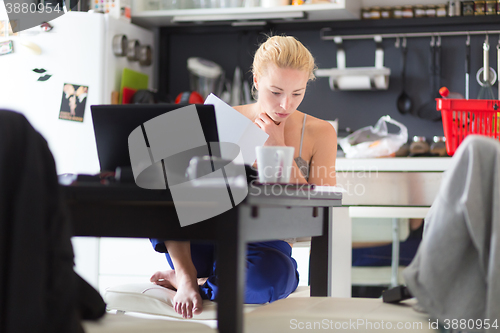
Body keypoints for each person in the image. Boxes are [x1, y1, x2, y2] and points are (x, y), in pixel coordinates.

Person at [149, 35, 338, 319]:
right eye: (275, 92)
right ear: (257, 79)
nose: (285, 104)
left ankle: (196, 285)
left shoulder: (320, 132)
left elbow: (320, 212)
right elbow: (178, 196)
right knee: (159, 188)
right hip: (203, 238)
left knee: (269, 279)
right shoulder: (216, 118)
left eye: (297, 93)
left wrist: (278, 149)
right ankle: (187, 276)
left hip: (265, 246)